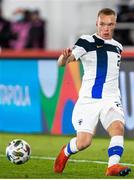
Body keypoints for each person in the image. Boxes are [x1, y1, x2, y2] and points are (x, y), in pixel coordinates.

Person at [53, 8, 131, 176]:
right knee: (83, 143)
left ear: (114, 25)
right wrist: (64, 57)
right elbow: (62, 63)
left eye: (110, 25)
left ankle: (112, 166)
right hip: (89, 100)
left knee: (118, 128)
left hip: (110, 99)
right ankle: (66, 151)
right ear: (97, 23)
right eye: (102, 24)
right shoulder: (86, 41)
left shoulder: (118, 46)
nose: (106, 28)